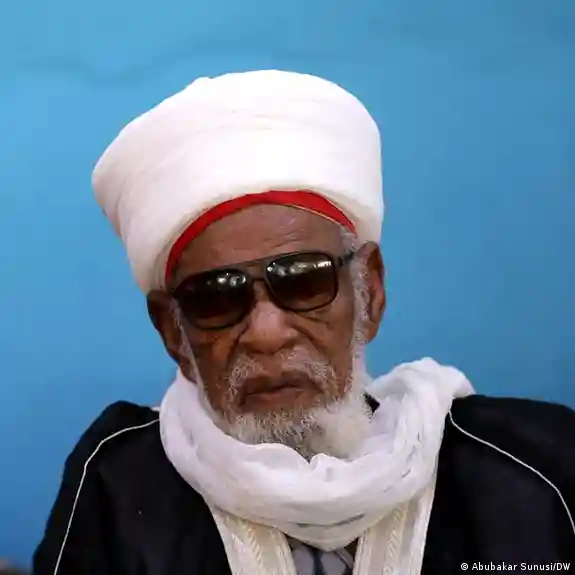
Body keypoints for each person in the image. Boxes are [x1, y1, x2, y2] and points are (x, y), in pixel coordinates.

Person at [33, 70, 574, 575]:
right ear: (173, 333)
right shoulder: (119, 488)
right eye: (216, 297)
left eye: (304, 282)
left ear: (370, 292)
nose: (266, 333)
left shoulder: (530, 468)